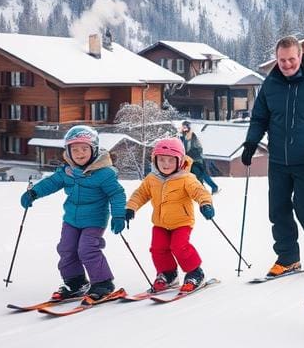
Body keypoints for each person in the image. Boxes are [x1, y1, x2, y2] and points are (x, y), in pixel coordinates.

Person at [241, 36, 304, 278]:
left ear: (300, 55)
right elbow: (259, 118)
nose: (287, 64)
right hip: (278, 161)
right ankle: (288, 258)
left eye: (291, 59)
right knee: (278, 209)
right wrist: (251, 143)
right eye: (282, 60)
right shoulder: (270, 85)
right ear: (277, 59)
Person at [19, 125, 127, 302]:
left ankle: (103, 283)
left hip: (94, 220)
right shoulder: (67, 171)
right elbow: (51, 183)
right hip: (71, 219)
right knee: (66, 249)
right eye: (74, 149)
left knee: (87, 249)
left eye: (84, 149)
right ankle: (76, 283)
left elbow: (117, 194)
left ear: (94, 149)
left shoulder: (104, 173)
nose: (79, 153)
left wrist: (119, 215)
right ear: (68, 152)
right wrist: (34, 193)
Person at [125, 137, 215, 293]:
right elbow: (140, 194)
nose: (166, 164)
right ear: (155, 160)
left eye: (170, 160)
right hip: (160, 223)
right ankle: (168, 274)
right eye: (161, 160)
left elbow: (199, 191)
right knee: (157, 248)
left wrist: (205, 204)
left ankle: (195, 272)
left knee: (179, 246)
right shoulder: (152, 179)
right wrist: (131, 207)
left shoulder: (186, 178)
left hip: (182, 222)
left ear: (179, 161)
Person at [179, 120, 219, 193]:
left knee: (200, 173)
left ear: (188, 127)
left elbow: (199, 148)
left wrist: (193, 154)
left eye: (186, 127)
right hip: (187, 159)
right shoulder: (181, 137)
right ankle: (205, 189)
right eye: (183, 127)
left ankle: (209, 189)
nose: (184, 128)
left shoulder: (193, 136)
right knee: (195, 175)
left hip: (196, 159)